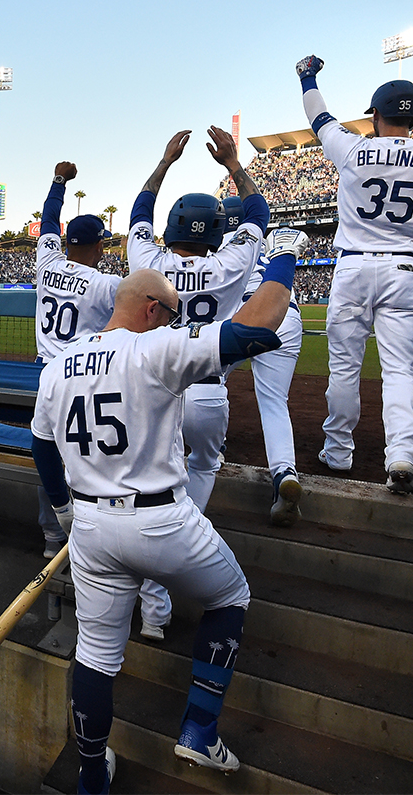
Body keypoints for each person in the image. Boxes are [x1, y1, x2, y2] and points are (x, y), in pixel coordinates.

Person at [31, 228, 305, 794]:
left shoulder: (57, 367)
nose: (174, 323)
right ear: (151, 308)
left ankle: (90, 776)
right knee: (231, 598)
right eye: (171, 313)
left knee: (96, 658)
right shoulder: (154, 347)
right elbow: (257, 328)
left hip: (91, 527)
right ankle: (200, 731)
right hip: (161, 521)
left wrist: (62, 511)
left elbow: (40, 447)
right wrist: (282, 258)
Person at [296, 55, 413, 492]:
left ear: (375, 114)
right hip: (404, 268)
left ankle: (337, 452)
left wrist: (308, 77)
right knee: (399, 372)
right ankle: (401, 456)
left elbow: (319, 117)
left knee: (344, 369)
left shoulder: (353, 147)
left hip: (353, 266)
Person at [124, 128, 268, 641]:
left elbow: (140, 212)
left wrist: (164, 162)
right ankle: (182, 532)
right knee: (203, 465)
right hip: (206, 390)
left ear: (174, 228)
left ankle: (152, 608)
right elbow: (258, 215)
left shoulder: (149, 263)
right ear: (214, 233)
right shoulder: (230, 263)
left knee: (146, 485)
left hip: (153, 391)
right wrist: (234, 163)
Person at [34, 160, 120, 559]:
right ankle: (86, 540)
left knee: (47, 453)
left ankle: (53, 538)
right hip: (79, 377)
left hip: (44, 375)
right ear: (100, 245)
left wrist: (58, 181)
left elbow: (50, 216)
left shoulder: (47, 262)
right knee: (84, 455)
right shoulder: (105, 285)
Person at [224, 196, 306, 526]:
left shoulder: (223, 244)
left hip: (244, 316)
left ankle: (211, 448)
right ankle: (285, 473)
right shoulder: (264, 242)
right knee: (274, 403)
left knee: (207, 381)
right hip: (286, 317)